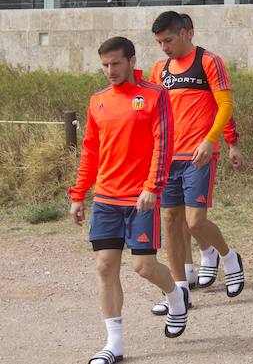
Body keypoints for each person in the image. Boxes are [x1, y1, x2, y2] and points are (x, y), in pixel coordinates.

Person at [68, 36, 187, 364]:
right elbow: (91, 150)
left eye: (116, 64)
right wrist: (79, 195)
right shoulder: (98, 101)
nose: (110, 71)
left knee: (143, 267)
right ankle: (114, 345)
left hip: (141, 198)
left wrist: (153, 186)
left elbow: (164, 145)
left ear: (132, 61)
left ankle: (176, 296)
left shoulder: (154, 95)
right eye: (105, 65)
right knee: (105, 266)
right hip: (106, 197)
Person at [148, 11, 245, 318]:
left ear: (187, 33)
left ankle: (229, 258)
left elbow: (225, 105)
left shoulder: (209, 61)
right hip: (167, 158)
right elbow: (153, 113)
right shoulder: (159, 69)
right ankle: (180, 293)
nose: (165, 47)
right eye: (160, 42)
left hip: (199, 154)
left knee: (195, 222)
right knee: (170, 221)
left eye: (169, 40)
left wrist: (213, 139)